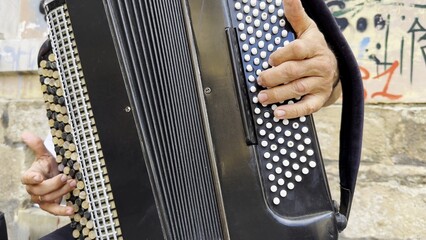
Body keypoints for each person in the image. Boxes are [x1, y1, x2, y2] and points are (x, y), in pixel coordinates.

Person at [21, 0, 349, 238]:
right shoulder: (82, 16)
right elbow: (94, 111)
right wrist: (68, 174)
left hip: (257, 208)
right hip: (134, 219)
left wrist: (329, 74)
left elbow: (329, 80)